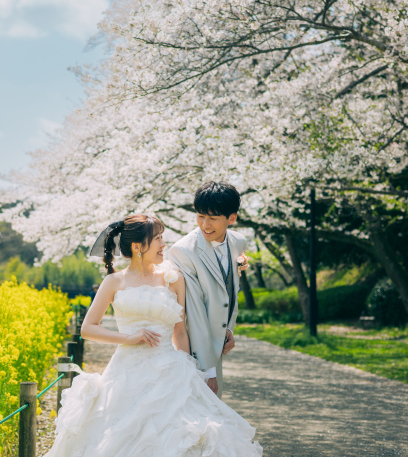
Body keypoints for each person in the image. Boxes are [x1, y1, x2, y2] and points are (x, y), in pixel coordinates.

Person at [44, 214, 262, 457]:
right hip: (126, 373)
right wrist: (128, 338)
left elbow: (180, 332)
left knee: (182, 434)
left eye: (162, 238)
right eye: (157, 239)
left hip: (171, 370)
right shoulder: (114, 281)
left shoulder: (173, 278)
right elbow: (88, 328)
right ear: (138, 247)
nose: (163, 244)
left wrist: (193, 371)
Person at [169, 182, 249, 397]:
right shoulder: (183, 251)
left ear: (231, 218)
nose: (205, 224)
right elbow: (194, 313)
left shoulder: (238, 242)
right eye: (200, 216)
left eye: (212, 218)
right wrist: (207, 370)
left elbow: (231, 291)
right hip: (195, 349)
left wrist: (229, 329)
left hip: (218, 344)